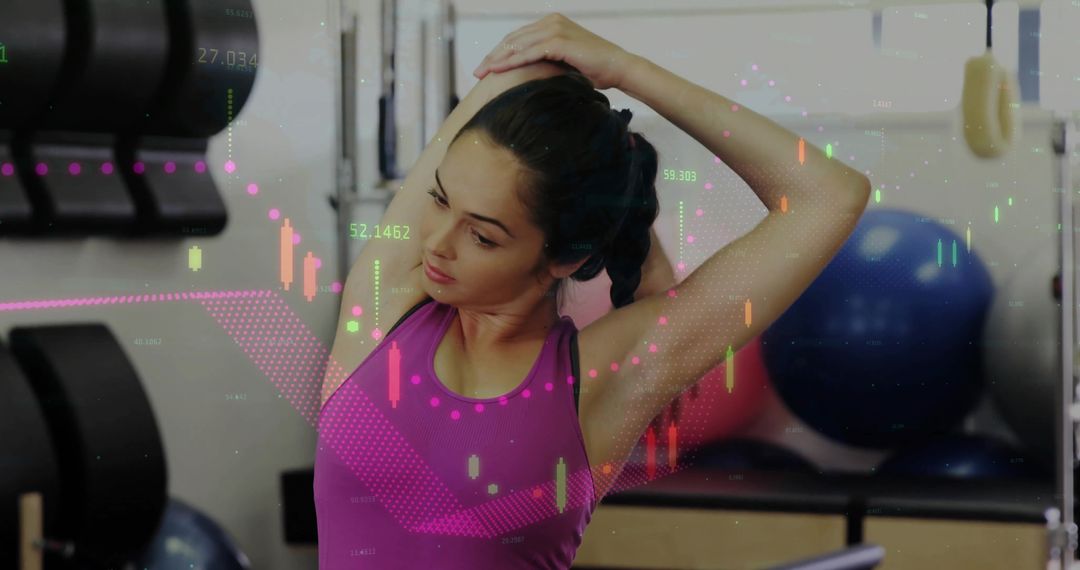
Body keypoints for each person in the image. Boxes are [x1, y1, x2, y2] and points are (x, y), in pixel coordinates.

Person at [314, 13, 870, 569]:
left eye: (483, 235)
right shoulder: (387, 299)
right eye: (439, 200)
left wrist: (629, 71)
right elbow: (528, 61)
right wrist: (639, 237)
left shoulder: (609, 378)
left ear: (566, 257)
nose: (436, 243)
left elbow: (829, 195)